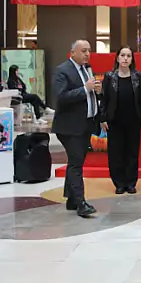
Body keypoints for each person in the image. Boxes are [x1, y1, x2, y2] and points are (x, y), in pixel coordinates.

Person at [51, 39, 100, 218]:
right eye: (83, 51)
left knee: (75, 162)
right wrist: (85, 89)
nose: (87, 54)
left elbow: (89, 95)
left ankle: (72, 199)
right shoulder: (62, 71)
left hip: (85, 124)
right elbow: (61, 97)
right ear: (73, 53)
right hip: (69, 127)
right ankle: (81, 203)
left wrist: (96, 91)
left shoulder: (87, 70)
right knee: (76, 163)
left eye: (89, 51)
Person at [102, 47, 141, 195]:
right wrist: (102, 118)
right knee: (116, 152)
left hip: (133, 120)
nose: (125, 58)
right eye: (122, 55)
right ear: (117, 58)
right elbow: (104, 98)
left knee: (132, 152)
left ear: (131, 60)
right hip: (114, 121)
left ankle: (131, 182)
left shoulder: (137, 76)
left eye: (128, 56)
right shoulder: (109, 77)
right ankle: (119, 183)